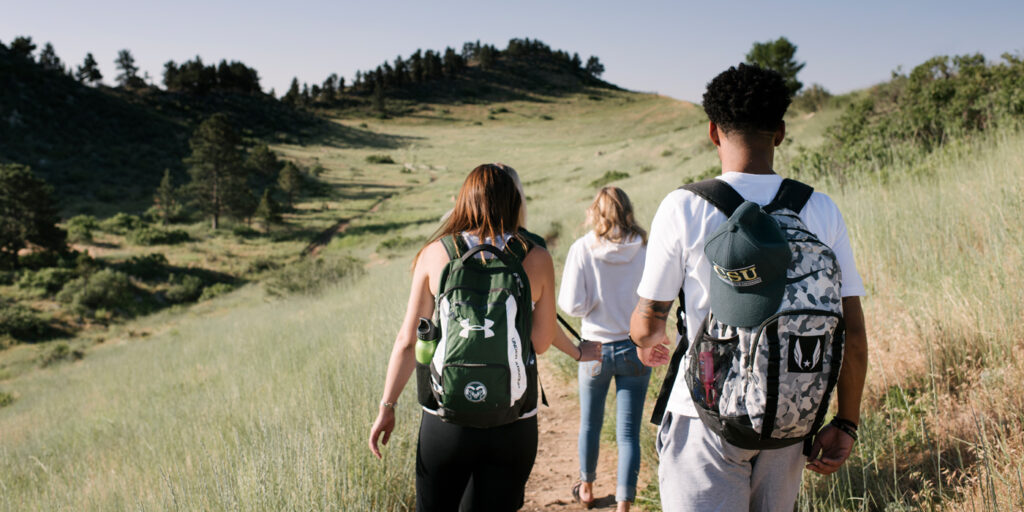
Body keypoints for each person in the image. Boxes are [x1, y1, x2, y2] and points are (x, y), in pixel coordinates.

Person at [629, 64, 869, 512]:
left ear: (713, 132)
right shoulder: (820, 209)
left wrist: (648, 342)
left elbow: (647, 324)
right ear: (779, 132)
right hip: (790, 417)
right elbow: (852, 332)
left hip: (705, 412)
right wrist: (847, 422)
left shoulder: (686, 207)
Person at [368, 163, 596, 512]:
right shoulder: (535, 257)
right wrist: (578, 351)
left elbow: (407, 340)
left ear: (464, 201)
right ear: (513, 201)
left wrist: (387, 406)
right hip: (513, 420)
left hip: (446, 418)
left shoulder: (436, 253)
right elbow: (540, 341)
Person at [558, 186, 649, 512]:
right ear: (627, 210)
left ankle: (587, 489)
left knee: (590, 424)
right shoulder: (644, 247)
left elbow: (571, 304)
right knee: (628, 434)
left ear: (596, 212)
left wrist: (593, 303)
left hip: (595, 348)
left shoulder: (583, 248)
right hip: (635, 348)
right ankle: (625, 503)